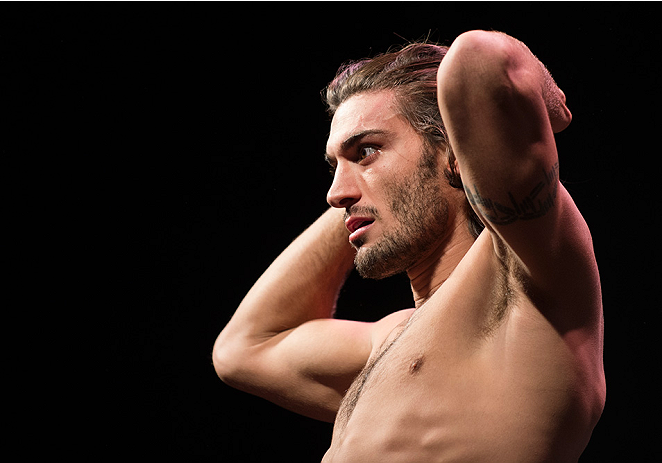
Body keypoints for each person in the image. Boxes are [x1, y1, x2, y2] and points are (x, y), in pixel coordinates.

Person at [213, 30, 605, 462]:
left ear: (455, 154)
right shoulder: (388, 343)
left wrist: (549, 107)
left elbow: (480, 59)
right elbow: (243, 349)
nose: (333, 194)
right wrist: (362, 192)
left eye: (366, 151)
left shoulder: (526, 285)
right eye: (334, 166)